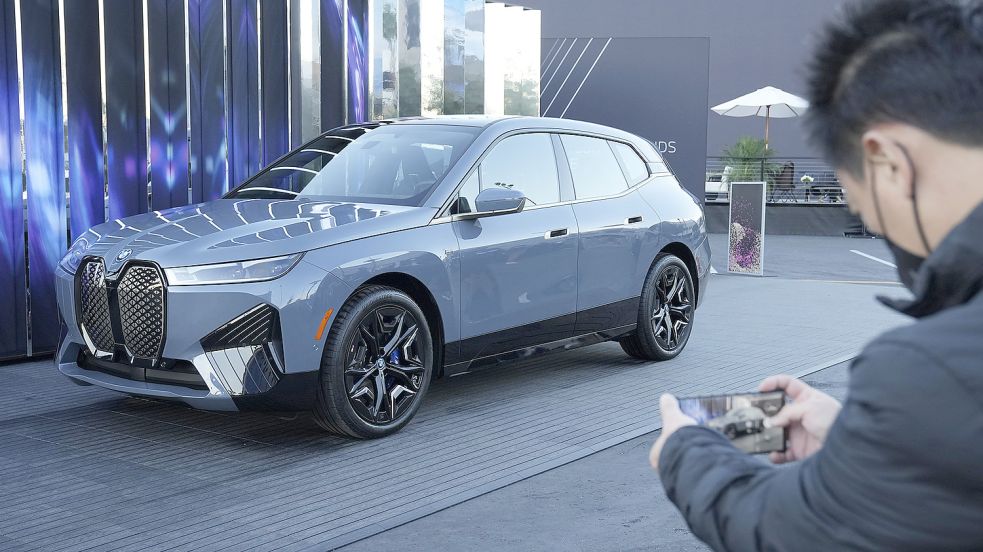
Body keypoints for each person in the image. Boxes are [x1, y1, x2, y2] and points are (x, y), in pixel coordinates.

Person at [650, 0, 983, 549]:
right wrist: (868, 436)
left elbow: (794, 532)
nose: (876, 226)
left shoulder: (931, 369)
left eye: (861, 206)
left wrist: (686, 452)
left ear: (887, 163)